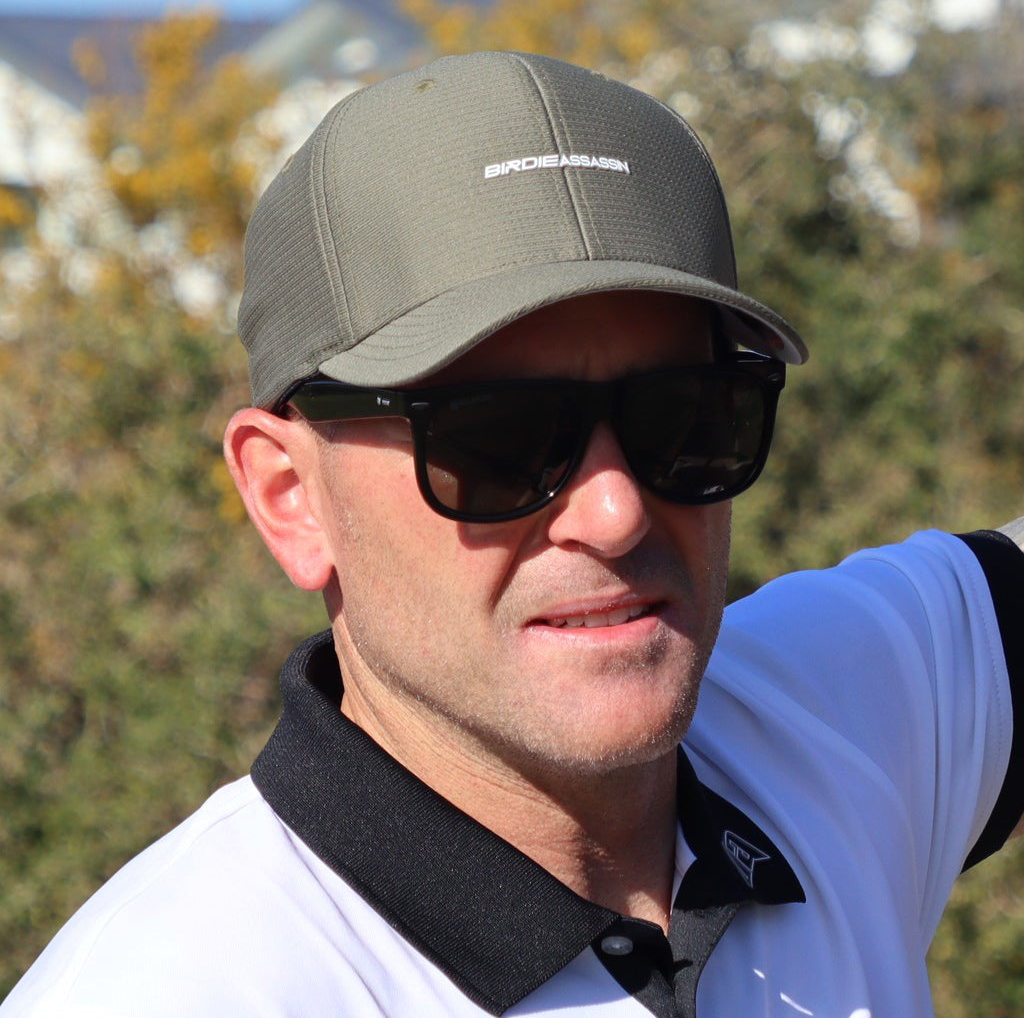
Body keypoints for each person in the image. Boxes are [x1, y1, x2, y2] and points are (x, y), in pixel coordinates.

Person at [2, 50, 1021, 1018]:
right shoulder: (181, 988)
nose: (615, 509)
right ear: (288, 496)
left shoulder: (835, 719)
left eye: (687, 415)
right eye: (497, 443)